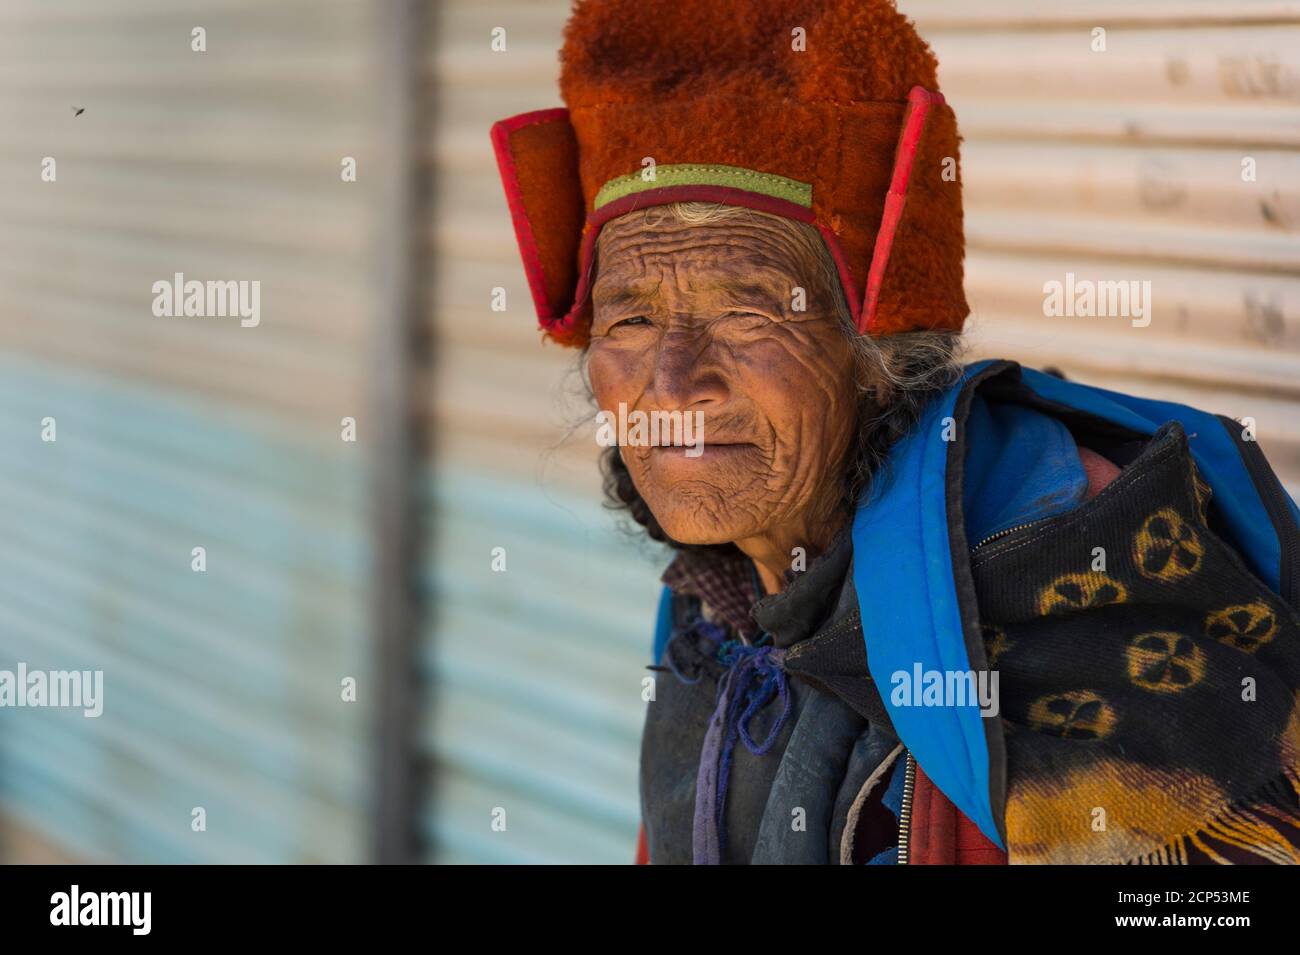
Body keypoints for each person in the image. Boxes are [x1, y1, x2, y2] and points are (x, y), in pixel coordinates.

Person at [489, 0, 1300, 864]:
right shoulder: (717, 592)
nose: (676, 383)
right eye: (631, 323)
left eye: (750, 309)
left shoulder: (1083, 570)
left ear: (880, 353)